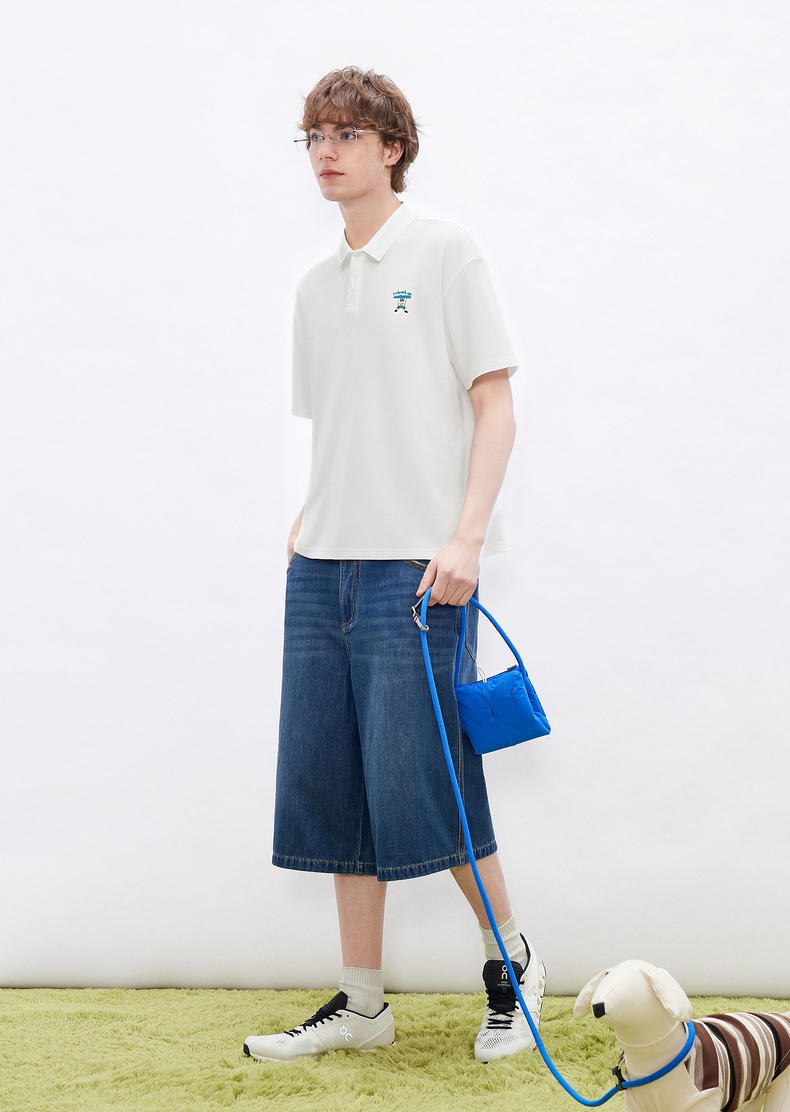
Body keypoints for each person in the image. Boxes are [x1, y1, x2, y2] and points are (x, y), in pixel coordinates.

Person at [244, 66, 545, 1065]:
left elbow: (494, 403)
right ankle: (363, 1002)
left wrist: (465, 538)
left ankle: (514, 964)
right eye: (314, 136)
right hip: (321, 563)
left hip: (416, 569)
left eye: (346, 134)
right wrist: (312, 512)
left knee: (428, 778)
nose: (326, 152)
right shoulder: (312, 285)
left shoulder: (446, 249)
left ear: (391, 148)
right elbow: (341, 421)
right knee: (332, 780)